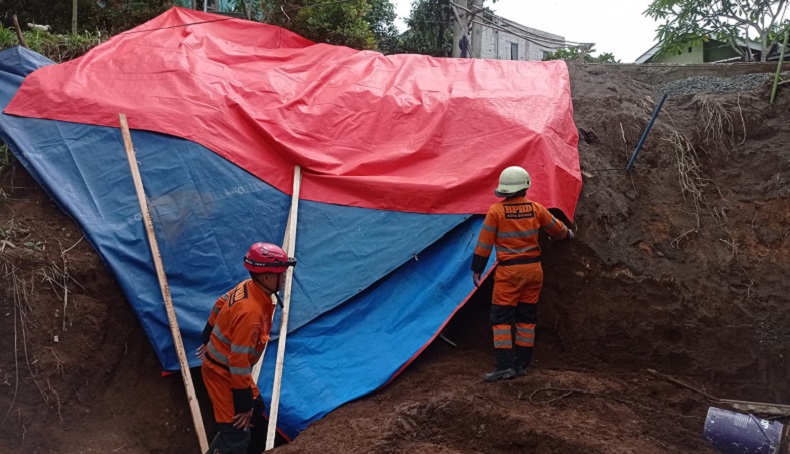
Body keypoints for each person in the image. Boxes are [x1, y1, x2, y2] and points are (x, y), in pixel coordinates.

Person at [471, 166, 573, 382]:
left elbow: (484, 244)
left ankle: (504, 366)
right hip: (534, 271)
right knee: (526, 318)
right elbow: (557, 230)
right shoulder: (536, 209)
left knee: (501, 319)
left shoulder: (496, 212)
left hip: (509, 273)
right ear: (525, 186)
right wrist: (568, 235)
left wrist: (477, 268)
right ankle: (522, 365)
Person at [200, 242, 296, 454]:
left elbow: (220, 303)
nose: (284, 278)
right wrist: (243, 406)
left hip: (226, 368)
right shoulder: (250, 313)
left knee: (256, 408)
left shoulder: (248, 287)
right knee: (237, 435)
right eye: (281, 273)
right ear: (267, 277)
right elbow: (239, 362)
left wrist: (207, 337)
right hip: (222, 374)